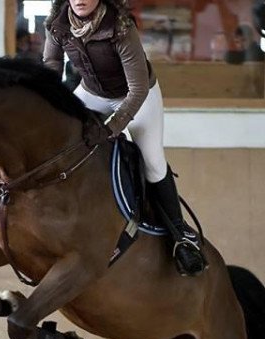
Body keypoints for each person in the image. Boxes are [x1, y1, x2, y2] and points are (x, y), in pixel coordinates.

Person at [43, 0, 205, 276]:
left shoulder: (120, 26)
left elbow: (138, 88)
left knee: (153, 162)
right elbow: (51, 64)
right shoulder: (57, 23)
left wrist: (111, 128)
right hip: (92, 93)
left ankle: (181, 237)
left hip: (137, 96)